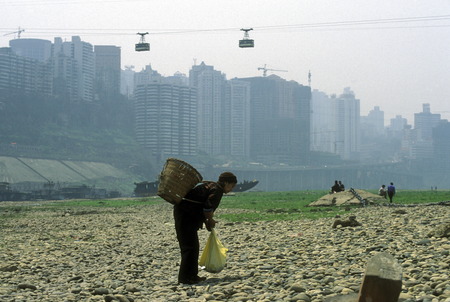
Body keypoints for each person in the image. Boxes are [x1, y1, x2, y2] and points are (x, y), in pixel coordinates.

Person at [173, 172, 237, 284]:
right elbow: (207, 207)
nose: (231, 189)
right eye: (231, 186)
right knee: (189, 247)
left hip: (183, 213)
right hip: (186, 216)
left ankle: (192, 275)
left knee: (192, 247)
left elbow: (201, 204)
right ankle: (185, 278)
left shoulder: (210, 185)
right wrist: (210, 220)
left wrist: (207, 221)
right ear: (226, 183)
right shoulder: (217, 190)